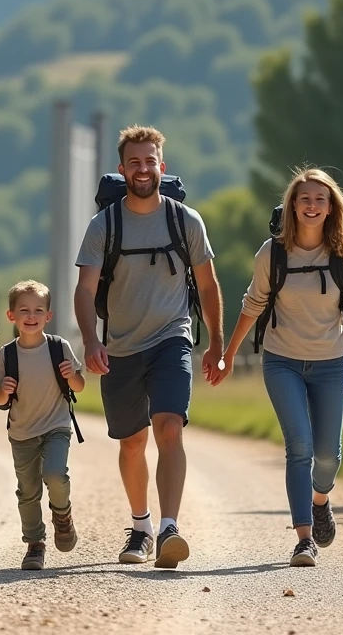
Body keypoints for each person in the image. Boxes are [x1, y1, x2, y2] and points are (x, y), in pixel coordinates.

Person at [219, 168, 343, 568]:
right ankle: (303, 539)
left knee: (328, 456)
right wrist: (228, 354)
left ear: (332, 208)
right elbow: (252, 304)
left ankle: (320, 501)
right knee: (300, 448)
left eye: (320, 200)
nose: (312, 206)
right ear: (292, 205)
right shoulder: (272, 253)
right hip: (282, 362)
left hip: (332, 363)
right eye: (305, 199)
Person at [73, 124, 224, 569]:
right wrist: (89, 340)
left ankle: (169, 527)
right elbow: (85, 290)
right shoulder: (105, 225)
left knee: (169, 427)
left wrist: (216, 343)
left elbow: (208, 284)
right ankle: (140, 525)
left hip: (171, 337)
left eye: (150, 161)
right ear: (123, 169)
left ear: (163, 165)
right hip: (120, 346)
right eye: (134, 162)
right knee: (132, 442)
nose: (143, 169)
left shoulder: (185, 220)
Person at [0, 279, 86, 570]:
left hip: (56, 425)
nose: (30, 316)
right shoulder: (6, 355)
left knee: (56, 475)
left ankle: (62, 514)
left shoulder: (60, 347)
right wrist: (4, 391)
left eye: (37, 310)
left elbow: (79, 387)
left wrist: (72, 375)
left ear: (48, 316)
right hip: (21, 433)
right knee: (28, 491)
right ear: (11, 316)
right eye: (23, 310)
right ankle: (35, 544)